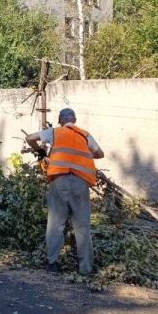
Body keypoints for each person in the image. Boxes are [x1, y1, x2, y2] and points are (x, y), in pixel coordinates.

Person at [25, 107, 104, 275]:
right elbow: (100, 154)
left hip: (59, 181)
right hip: (80, 183)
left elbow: (29, 138)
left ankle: (52, 263)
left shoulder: (55, 132)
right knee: (82, 226)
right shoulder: (85, 135)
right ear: (74, 120)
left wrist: (40, 151)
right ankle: (86, 268)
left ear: (61, 120)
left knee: (55, 224)